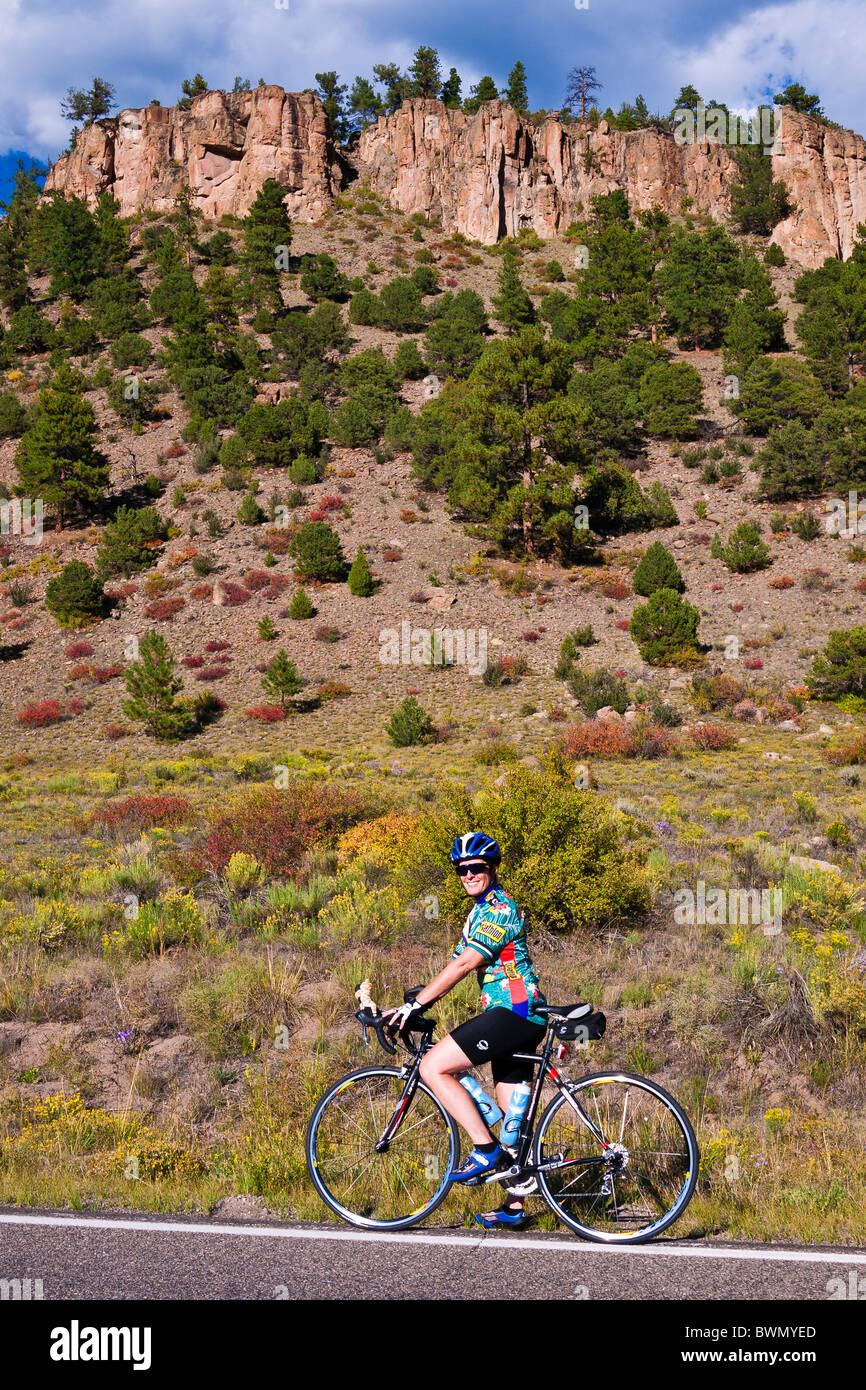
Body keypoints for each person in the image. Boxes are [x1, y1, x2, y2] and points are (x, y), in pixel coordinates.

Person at [383, 832, 547, 1229]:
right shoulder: (477, 913)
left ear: (493, 869)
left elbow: (464, 966)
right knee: (511, 1112)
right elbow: (455, 961)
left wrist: (417, 1004)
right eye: (462, 869)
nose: (469, 874)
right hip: (515, 1013)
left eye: (477, 868)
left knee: (434, 1067)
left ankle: (483, 1150)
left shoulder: (500, 908)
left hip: (516, 1010)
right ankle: (514, 1206)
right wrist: (409, 1003)